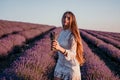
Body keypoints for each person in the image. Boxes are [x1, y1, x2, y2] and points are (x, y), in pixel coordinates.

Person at [52, 11, 85, 80]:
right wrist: (55, 46)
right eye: (64, 17)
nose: (65, 19)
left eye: (68, 18)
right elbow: (59, 47)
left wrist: (59, 48)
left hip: (71, 67)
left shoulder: (72, 35)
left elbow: (73, 54)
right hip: (60, 64)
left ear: (72, 21)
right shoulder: (62, 32)